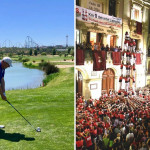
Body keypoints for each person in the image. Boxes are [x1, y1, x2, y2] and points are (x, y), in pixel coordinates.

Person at [0, 57, 12, 128]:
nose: (8, 67)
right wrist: (1, 95)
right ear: (4, 62)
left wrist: (3, 92)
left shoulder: (3, 68)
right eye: (8, 65)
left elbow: (2, 79)